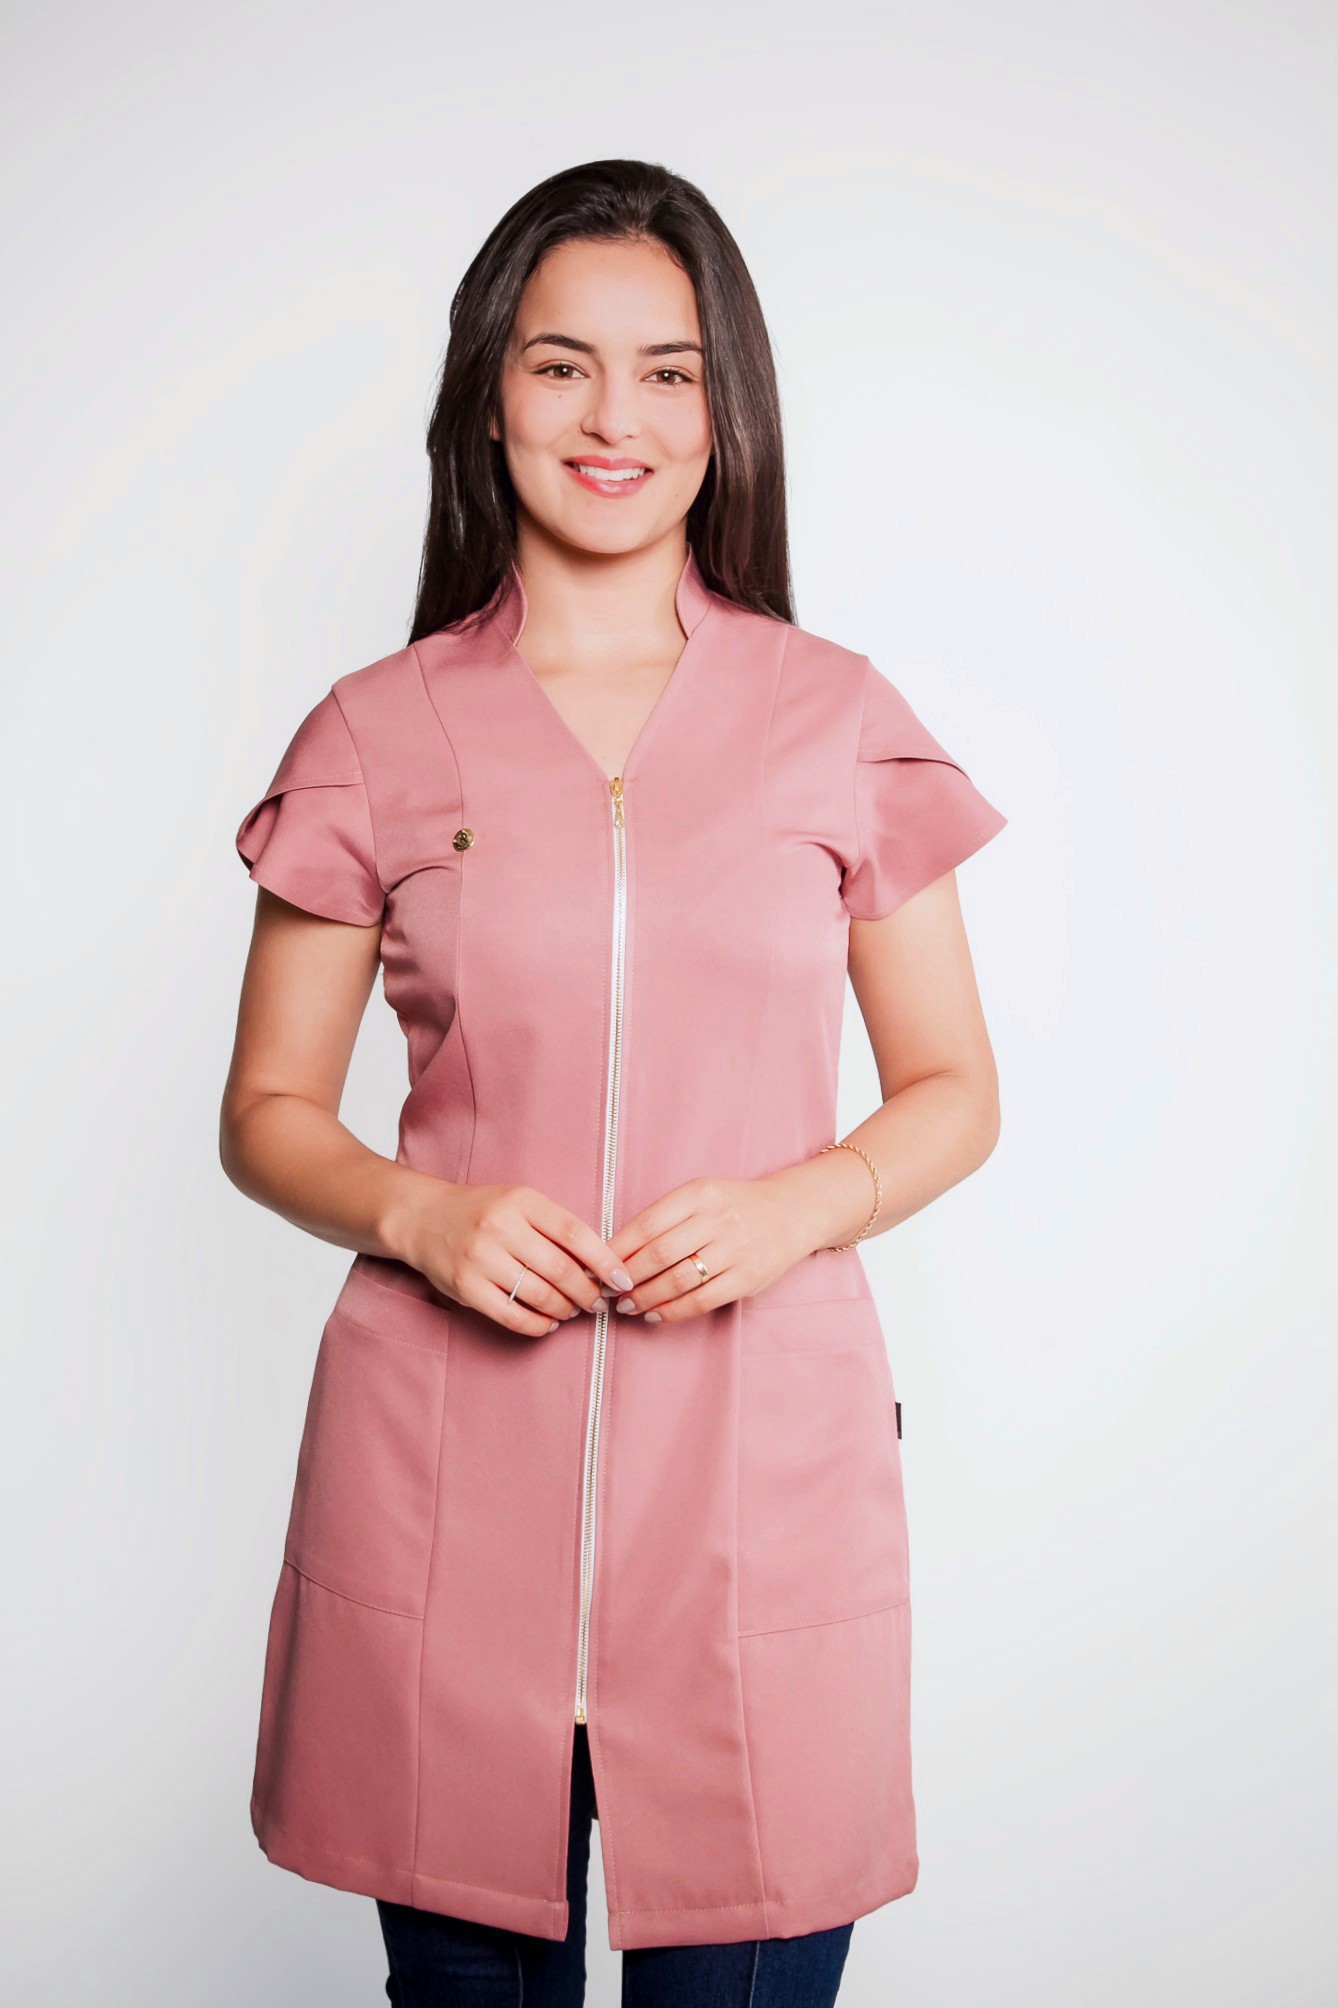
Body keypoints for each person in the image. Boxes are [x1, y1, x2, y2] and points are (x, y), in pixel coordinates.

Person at [221, 157, 1008, 2008]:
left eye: (667, 371)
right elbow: (265, 1112)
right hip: (444, 1477)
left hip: (753, 1476)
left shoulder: (835, 719)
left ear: (724, 410)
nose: (612, 419)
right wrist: (421, 1215)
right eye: (560, 364)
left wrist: (794, 1209)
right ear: (488, 391)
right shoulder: (373, 733)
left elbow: (953, 1086)